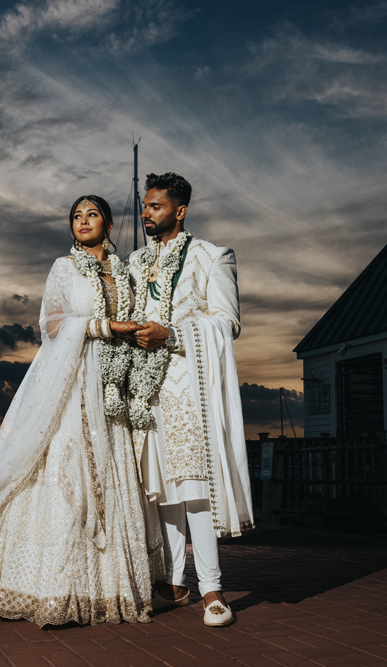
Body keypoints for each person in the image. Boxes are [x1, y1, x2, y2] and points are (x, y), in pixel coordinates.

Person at [0, 194, 165, 627]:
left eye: (92, 214)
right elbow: (52, 324)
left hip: (111, 382)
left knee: (113, 472)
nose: (83, 221)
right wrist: (102, 327)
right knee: (62, 468)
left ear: (109, 225)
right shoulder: (64, 267)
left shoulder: (125, 272)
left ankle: (108, 591)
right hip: (71, 378)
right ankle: (47, 589)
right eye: (76, 216)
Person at [128, 172, 253, 627]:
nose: (146, 213)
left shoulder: (212, 257)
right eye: (144, 206)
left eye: (155, 206)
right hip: (146, 391)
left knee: (195, 486)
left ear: (179, 210)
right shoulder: (136, 263)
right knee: (161, 488)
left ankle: (212, 589)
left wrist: (174, 333)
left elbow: (226, 322)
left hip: (189, 386)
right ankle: (174, 582)